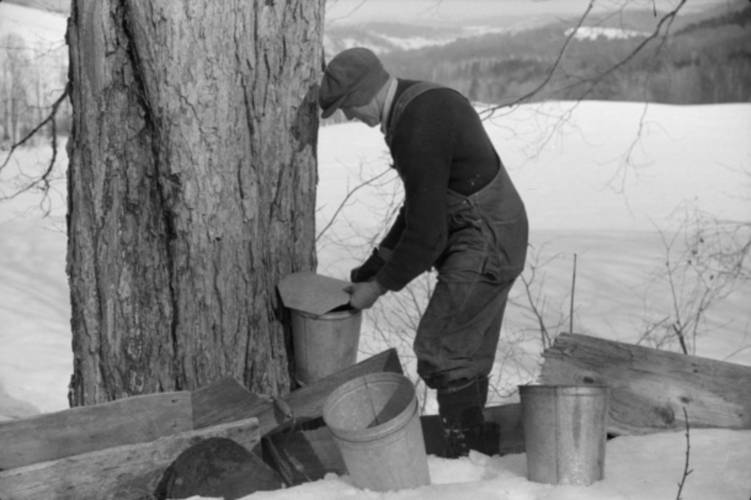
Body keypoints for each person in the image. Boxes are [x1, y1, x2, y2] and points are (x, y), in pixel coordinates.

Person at [318, 47, 528, 458]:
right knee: (462, 352)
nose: (351, 117)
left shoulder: (417, 125)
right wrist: (375, 265)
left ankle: (464, 452)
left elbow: (429, 234)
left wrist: (378, 286)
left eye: (347, 107)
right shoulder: (414, 104)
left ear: (366, 92)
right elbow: (421, 206)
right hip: (487, 228)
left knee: (441, 347)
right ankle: (474, 450)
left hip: (486, 235)